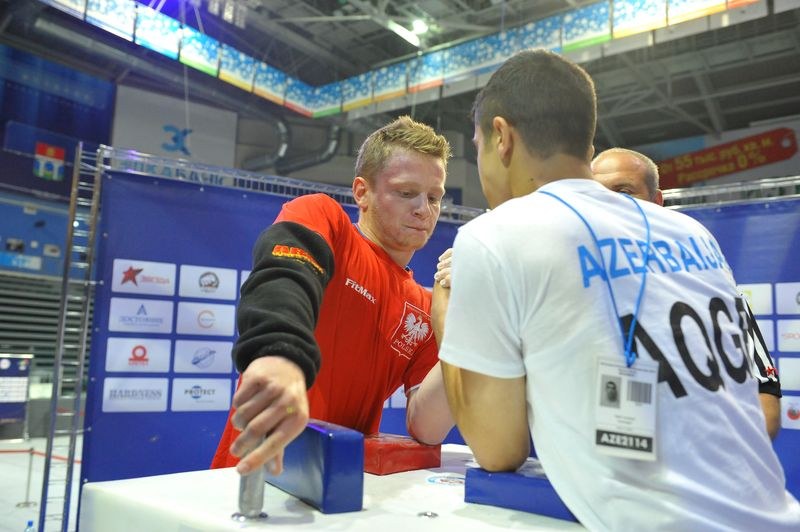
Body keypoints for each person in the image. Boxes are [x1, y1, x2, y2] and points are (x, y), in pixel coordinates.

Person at [436, 49, 800, 530]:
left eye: (478, 145)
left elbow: (497, 449)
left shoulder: (497, 234)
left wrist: (446, 307)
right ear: (586, 145)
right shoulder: (691, 233)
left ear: (502, 137)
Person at [212, 115, 454, 475]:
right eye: (406, 193)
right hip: (258, 471)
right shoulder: (326, 221)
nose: (423, 209)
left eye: (434, 197)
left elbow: (427, 428)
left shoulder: (424, 306)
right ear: (362, 192)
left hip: (341, 485)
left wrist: (464, 323)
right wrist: (280, 354)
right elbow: (284, 275)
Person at [592, 147, 782, 439]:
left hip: (706, 459)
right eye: (599, 196)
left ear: (657, 201)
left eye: (625, 192)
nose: (611, 205)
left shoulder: (709, 284)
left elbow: (765, 403)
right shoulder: (577, 286)